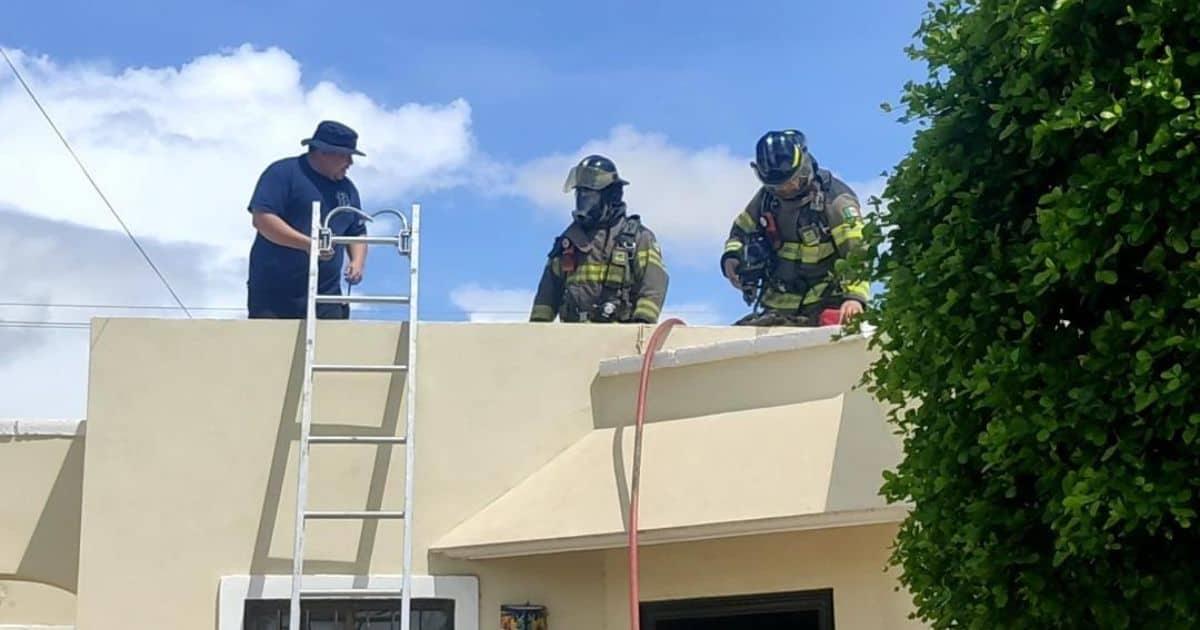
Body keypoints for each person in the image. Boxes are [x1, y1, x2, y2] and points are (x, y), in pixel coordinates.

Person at [721, 130, 869, 327]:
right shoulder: (766, 198)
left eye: (792, 181)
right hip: (779, 305)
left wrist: (854, 298)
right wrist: (731, 257)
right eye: (778, 186)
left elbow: (857, 252)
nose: (785, 189)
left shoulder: (836, 201)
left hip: (827, 302)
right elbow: (740, 230)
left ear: (804, 166)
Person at [245, 120, 369, 319]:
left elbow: (356, 231)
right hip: (274, 293)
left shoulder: (348, 189)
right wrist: (308, 245)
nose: (350, 163)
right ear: (324, 152)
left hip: (326, 296)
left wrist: (357, 261)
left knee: (331, 348)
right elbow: (263, 219)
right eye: (346, 156)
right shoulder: (283, 173)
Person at [530, 155, 669, 323]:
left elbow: (653, 287)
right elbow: (545, 299)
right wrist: (536, 336)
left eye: (588, 192)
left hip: (619, 340)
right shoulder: (567, 244)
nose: (582, 198)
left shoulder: (638, 239)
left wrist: (641, 328)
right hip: (570, 341)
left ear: (610, 195)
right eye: (579, 192)